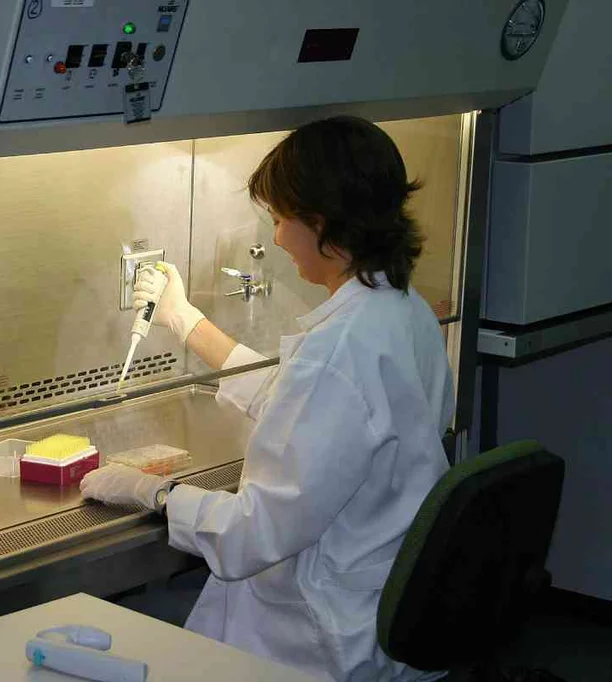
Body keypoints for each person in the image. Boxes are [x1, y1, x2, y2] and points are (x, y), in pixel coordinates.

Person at [80, 116, 454, 682]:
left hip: (316, 639)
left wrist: (156, 494)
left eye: (280, 220)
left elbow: (251, 534)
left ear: (320, 224)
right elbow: (302, 400)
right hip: (377, 608)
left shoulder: (340, 352)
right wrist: (184, 320)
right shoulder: (404, 313)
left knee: (117, 634)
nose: (276, 238)